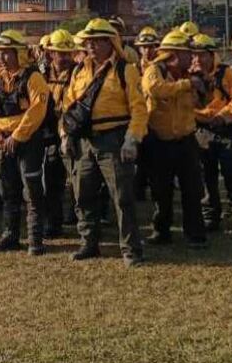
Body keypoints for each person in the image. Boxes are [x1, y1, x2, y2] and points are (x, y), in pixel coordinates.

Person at [61, 19, 149, 264]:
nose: (92, 46)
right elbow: (68, 106)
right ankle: (89, 243)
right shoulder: (79, 71)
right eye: (89, 41)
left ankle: (131, 249)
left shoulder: (125, 70)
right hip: (85, 142)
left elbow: (139, 109)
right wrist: (65, 134)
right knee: (82, 194)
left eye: (98, 41)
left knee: (122, 197)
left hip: (114, 139)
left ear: (111, 42)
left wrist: (132, 139)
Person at [0, 30, 50, 255]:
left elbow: (37, 110)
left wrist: (17, 136)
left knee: (31, 189)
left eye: (7, 53)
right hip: (3, 142)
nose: (2, 58)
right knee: (7, 189)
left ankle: (35, 239)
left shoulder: (33, 77)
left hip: (27, 141)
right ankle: (10, 236)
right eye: (0, 53)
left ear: (19, 53)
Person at [142, 30, 207, 249]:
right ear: (175, 55)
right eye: (189, 53)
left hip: (186, 139)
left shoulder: (189, 74)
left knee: (192, 188)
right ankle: (161, 231)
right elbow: (155, 90)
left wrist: (202, 84)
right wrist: (187, 85)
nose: (193, 58)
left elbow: (200, 104)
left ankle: (195, 234)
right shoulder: (154, 71)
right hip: (159, 140)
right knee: (161, 189)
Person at [190, 34, 232, 235]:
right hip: (202, 130)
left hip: (225, 129)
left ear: (211, 55)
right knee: (205, 175)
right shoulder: (187, 76)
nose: (198, 60)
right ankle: (210, 216)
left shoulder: (226, 73)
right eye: (195, 55)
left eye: (202, 55)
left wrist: (223, 116)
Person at [40, 29, 77, 237]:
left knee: (77, 180)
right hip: (49, 132)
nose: (64, 58)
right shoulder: (41, 73)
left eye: (67, 54)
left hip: (71, 129)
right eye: (60, 53)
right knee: (52, 180)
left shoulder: (78, 73)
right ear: (50, 53)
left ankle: (79, 220)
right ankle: (53, 224)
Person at [131, 26, 161, 203]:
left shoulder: (162, 69)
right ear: (139, 48)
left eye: (151, 46)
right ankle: (138, 194)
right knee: (137, 163)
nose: (148, 50)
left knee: (157, 164)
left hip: (157, 121)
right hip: (139, 122)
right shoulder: (133, 69)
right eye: (144, 46)